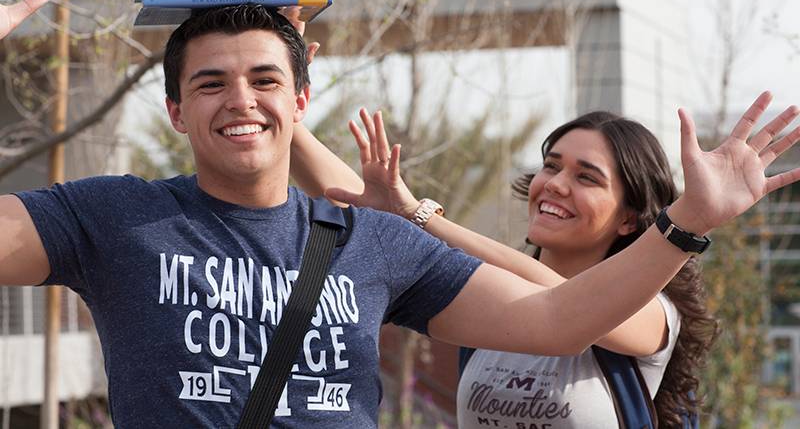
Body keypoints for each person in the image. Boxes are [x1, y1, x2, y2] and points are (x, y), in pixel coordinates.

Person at [1, 0, 799, 428]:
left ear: (302, 98)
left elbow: (560, 320)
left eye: (265, 80)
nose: (240, 99)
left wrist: (686, 222)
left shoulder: (377, 244)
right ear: (175, 110)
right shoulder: (111, 215)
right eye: (211, 83)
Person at [291, 109, 722, 427]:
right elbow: (351, 200)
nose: (555, 183)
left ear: (630, 218)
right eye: (551, 165)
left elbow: (561, 303)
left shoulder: (654, 314)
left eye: (586, 177)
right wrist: (280, 106)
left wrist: (419, 217)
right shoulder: (491, 303)